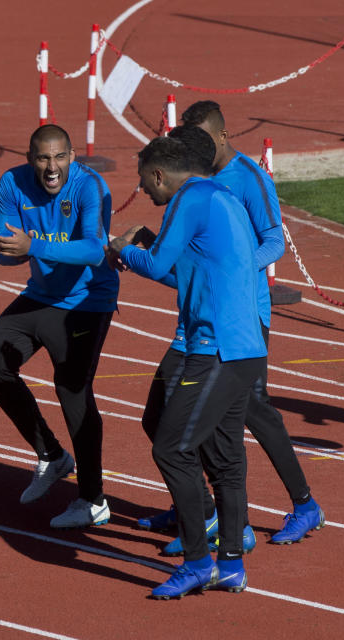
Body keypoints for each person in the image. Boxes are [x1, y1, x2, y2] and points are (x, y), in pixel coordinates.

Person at [136, 102, 324, 548]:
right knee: (165, 414)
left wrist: (235, 277)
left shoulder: (247, 179)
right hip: (197, 319)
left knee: (248, 411)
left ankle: (301, 505)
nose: (190, 147)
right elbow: (179, 261)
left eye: (198, 138)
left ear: (221, 136)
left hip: (242, 316)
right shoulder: (186, 189)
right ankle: (198, 506)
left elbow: (274, 239)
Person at [108, 134, 266, 598]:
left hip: (215, 348)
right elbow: (182, 272)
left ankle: (198, 561)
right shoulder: (223, 197)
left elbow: (156, 265)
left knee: (170, 448)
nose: (148, 194)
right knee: (225, 456)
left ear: (160, 174)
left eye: (145, 184)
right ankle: (231, 563)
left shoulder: (189, 198)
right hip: (245, 347)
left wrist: (121, 248)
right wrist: (143, 249)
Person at [0, 124, 118, 528]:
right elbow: (5, 255)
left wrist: (32, 245)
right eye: (43, 158)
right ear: (29, 159)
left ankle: (93, 499)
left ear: (72, 157)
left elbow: (93, 250)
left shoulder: (91, 186)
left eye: (59, 157)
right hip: (40, 294)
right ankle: (52, 455)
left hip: (87, 301)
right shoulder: (11, 183)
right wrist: (10, 249)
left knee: (72, 390)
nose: (51, 167)